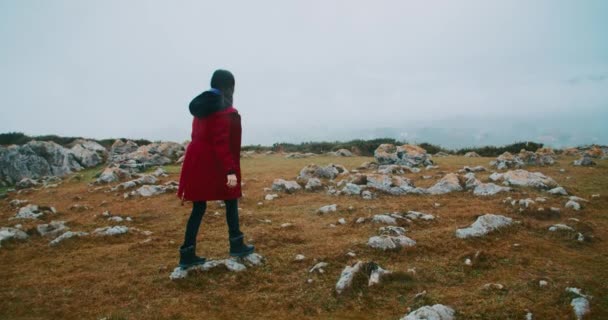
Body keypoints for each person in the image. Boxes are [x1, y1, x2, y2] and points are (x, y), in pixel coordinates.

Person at [176, 69, 254, 269]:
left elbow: (200, 135)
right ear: (228, 87)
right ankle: (236, 243)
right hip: (212, 161)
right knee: (230, 199)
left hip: (196, 161)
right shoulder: (223, 111)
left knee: (199, 207)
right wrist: (230, 171)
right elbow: (221, 143)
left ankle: (187, 253)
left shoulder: (203, 107)